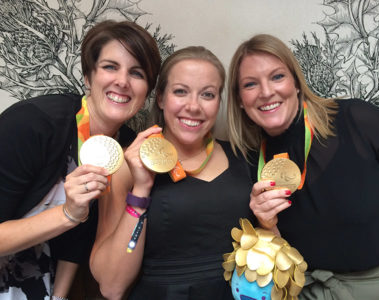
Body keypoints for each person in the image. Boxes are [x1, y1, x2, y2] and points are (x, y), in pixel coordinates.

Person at [226, 33, 379, 299]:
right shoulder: (249, 161)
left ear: (296, 82)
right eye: (250, 84)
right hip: (308, 290)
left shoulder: (355, 119)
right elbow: (277, 261)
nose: (266, 92)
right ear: (239, 99)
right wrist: (266, 224)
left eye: (277, 77)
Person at [0, 20, 161, 299]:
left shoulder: (127, 150)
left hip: (41, 280)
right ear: (88, 76)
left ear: (146, 92)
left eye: (137, 73)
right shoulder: (32, 124)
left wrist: (59, 297)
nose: (122, 81)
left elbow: (79, 241)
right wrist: (68, 214)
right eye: (110, 67)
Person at [90, 46, 256, 300]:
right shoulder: (128, 165)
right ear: (160, 98)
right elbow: (112, 287)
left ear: (219, 101)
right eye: (180, 92)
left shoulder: (244, 160)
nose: (193, 106)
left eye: (208, 95)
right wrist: (141, 190)